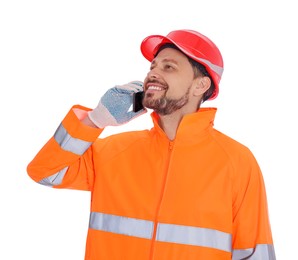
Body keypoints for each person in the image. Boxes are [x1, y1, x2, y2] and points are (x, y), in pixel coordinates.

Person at [27, 29, 276, 259]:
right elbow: (45, 172)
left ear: (200, 85)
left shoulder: (237, 162)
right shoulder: (114, 152)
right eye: (153, 66)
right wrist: (95, 120)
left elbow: (255, 253)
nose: (153, 73)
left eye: (169, 67)